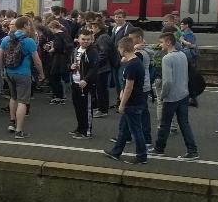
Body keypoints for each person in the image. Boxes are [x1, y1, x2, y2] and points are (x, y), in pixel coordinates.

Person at [150, 33, 199, 160]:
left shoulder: (167, 58)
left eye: (161, 42)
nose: (160, 45)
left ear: (168, 42)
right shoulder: (182, 55)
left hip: (171, 97)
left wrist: (162, 95)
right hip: (183, 94)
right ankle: (192, 150)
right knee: (184, 124)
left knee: (164, 125)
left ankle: (159, 149)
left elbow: (167, 81)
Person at [103, 36, 148, 165]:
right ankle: (116, 152)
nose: (118, 51)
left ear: (122, 49)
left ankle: (142, 156)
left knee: (136, 130)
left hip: (132, 103)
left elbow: (129, 87)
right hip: (137, 101)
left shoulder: (131, 66)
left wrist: (122, 104)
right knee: (124, 129)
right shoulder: (135, 62)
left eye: (119, 48)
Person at [0, 16, 43, 139]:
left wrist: (2, 70)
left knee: (13, 98)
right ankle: (19, 131)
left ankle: (12, 122)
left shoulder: (6, 39)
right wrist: (41, 74)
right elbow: (37, 61)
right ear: (25, 26)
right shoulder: (29, 41)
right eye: (29, 25)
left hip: (9, 72)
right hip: (23, 73)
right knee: (23, 102)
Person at [69, 28, 97, 139]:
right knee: (78, 107)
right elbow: (70, 63)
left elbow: (94, 68)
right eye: (83, 39)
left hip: (86, 85)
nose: (85, 41)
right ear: (78, 39)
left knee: (86, 108)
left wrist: (86, 79)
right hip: (75, 83)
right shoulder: (75, 50)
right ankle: (80, 128)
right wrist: (71, 67)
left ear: (91, 40)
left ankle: (87, 131)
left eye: (88, 39)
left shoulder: (93, 52)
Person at [179, 17, 200, 107]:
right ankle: (192, 98)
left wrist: (182, 40)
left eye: (182, 24)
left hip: (189, 58)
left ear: (187, 25)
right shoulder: (185, 33)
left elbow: (191, 45)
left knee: (189, 78)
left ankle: (192, 98)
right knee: (188, 78)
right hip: (188, 57)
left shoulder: (189, 34)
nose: (180, 25)